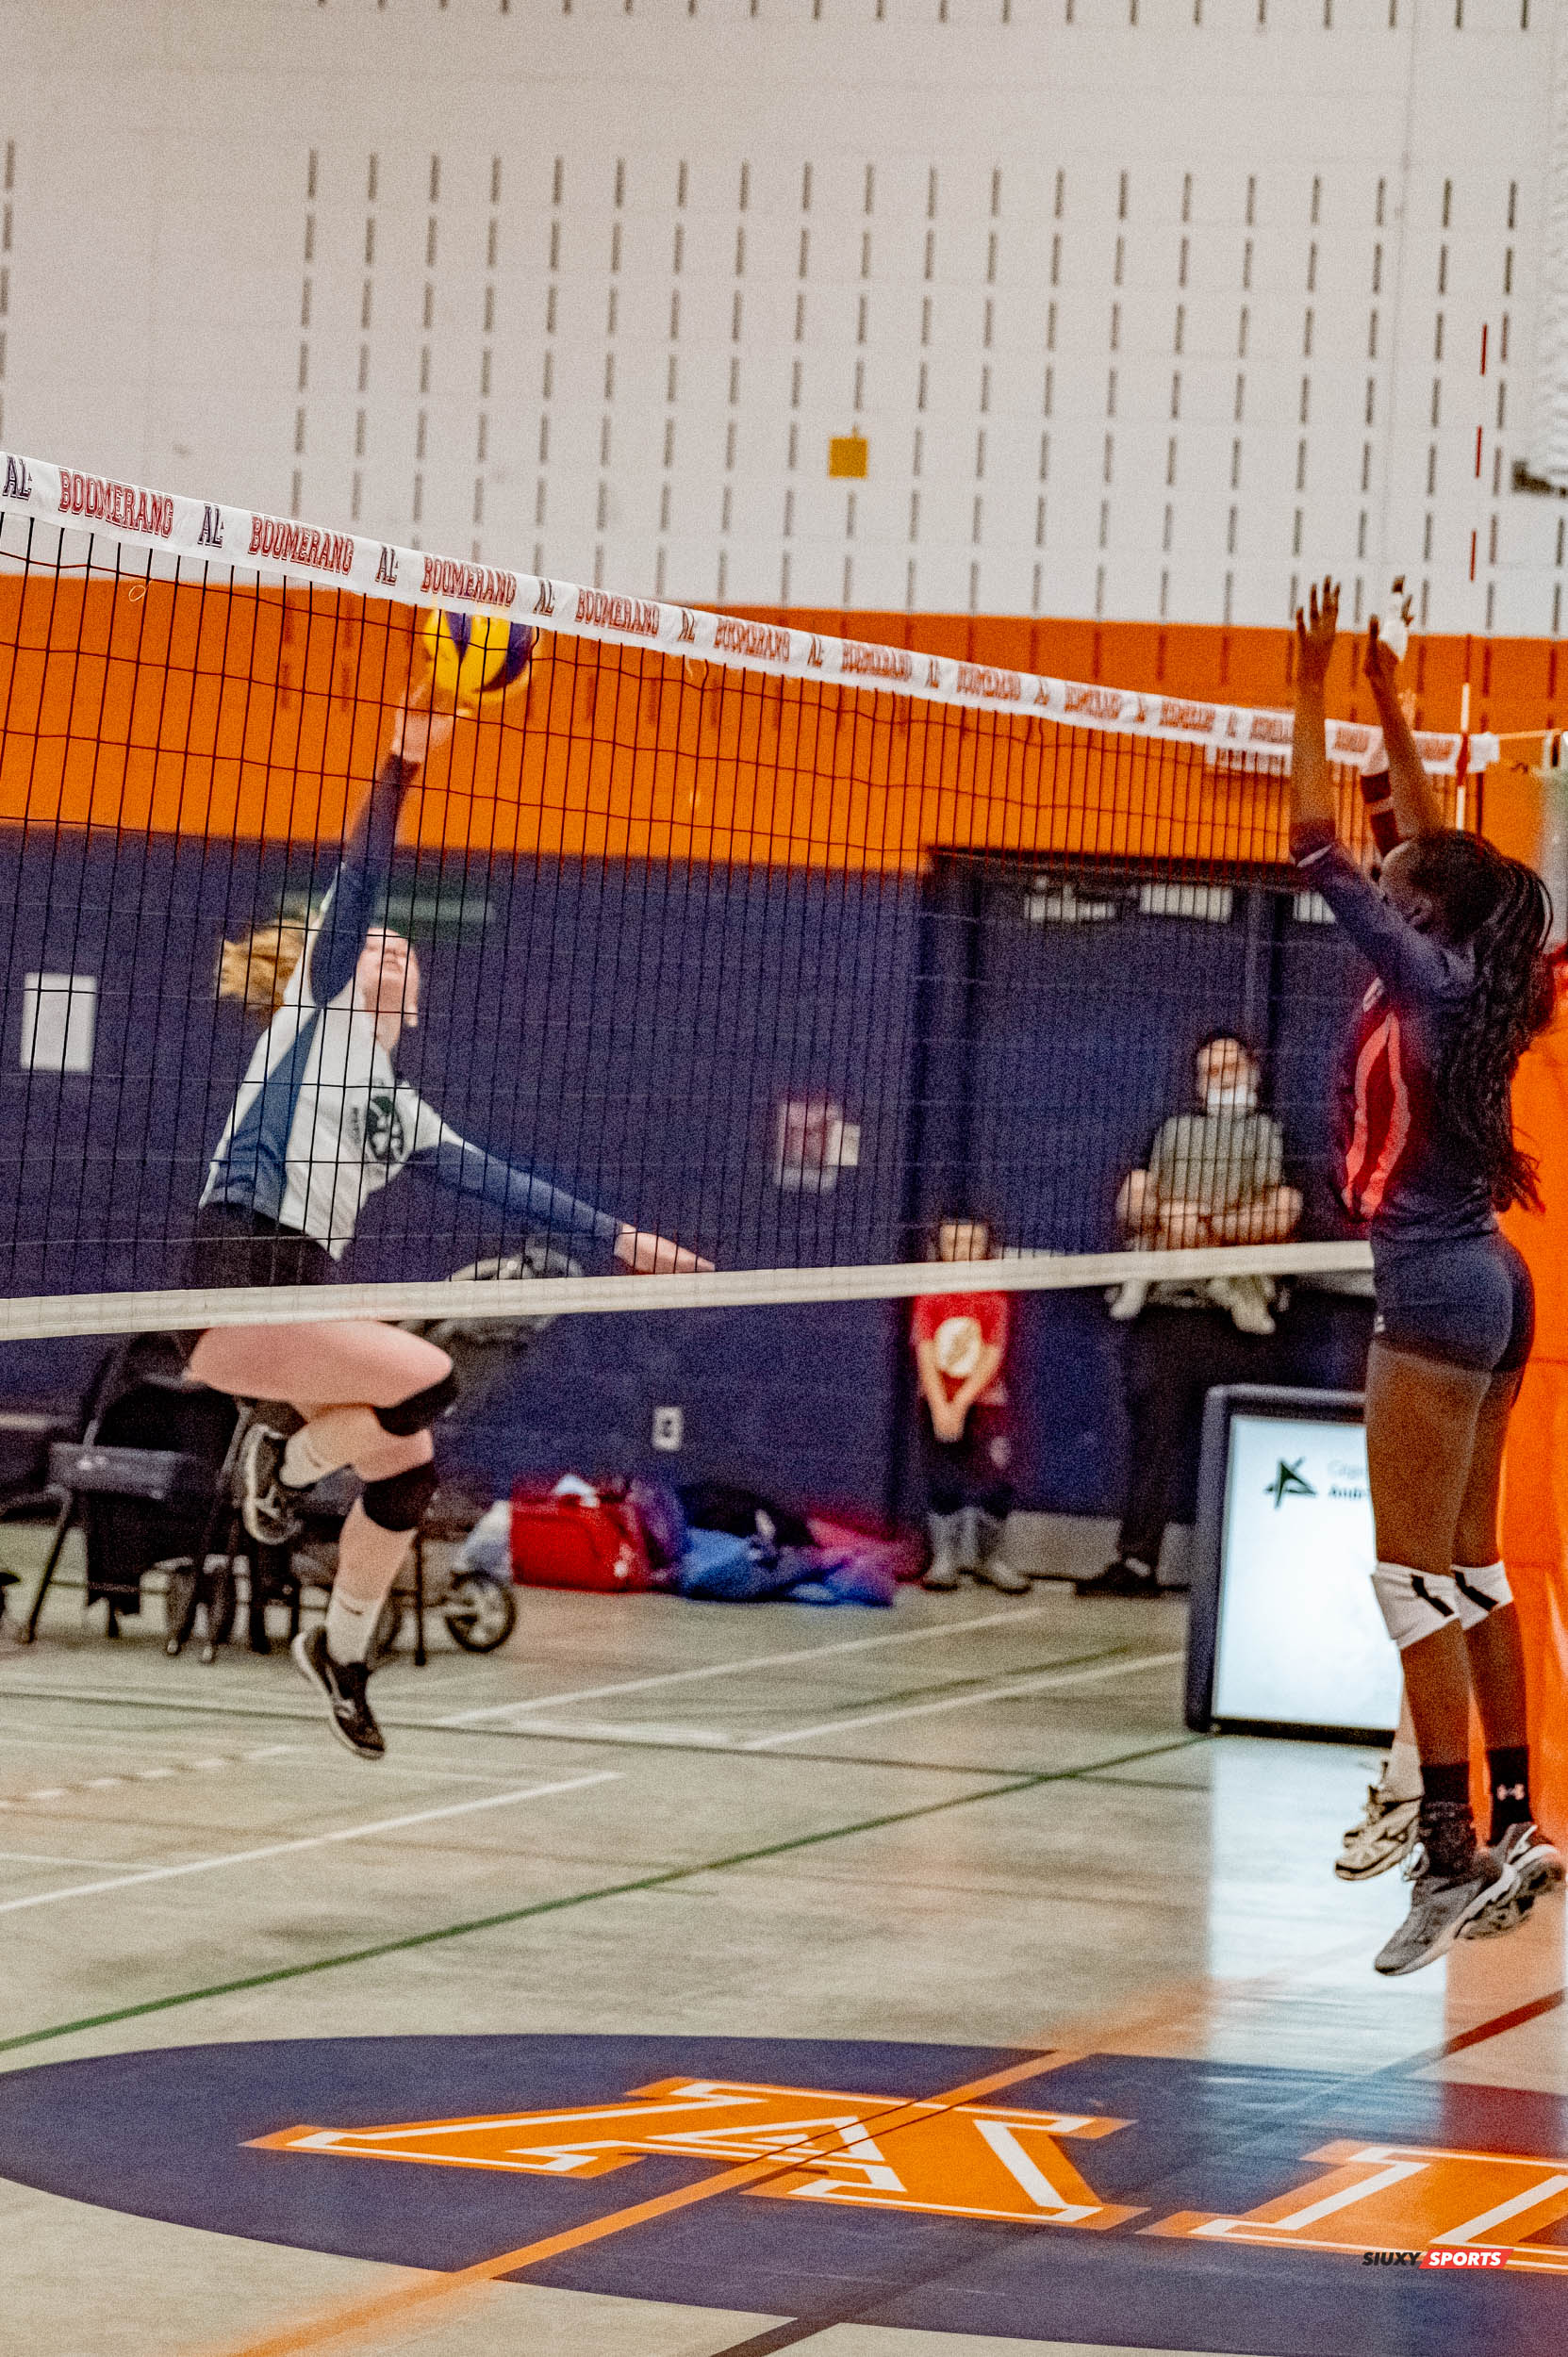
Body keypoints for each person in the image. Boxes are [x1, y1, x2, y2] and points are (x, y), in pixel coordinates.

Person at [184, 662, 705, 1762]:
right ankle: (278, 1467)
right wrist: (403, 755)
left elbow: (507, 1182)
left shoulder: (404, 1110)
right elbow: (364, 876)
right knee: (429, 1377)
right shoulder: (312, 1014)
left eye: (400, 952)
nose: (387, 945)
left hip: (293, 1305)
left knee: (406, 1465)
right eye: (374, 941)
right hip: (233, 1273)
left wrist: (622, 1239)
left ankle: (345, 1646)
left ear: (414, 1000)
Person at [1291, 575, 1562, 1973]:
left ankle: (1446, 1851)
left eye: (1402, 876)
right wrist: (1384, 695)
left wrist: (1305, 684)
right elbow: (1413, 834)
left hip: (1440, 1292)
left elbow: (1313, 842)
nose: (1393, 863)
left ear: (1417, 911)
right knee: (1468, 1576)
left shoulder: (1426, 980)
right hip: (1490, 1282)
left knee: (1411, 1585)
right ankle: (1517, 1822)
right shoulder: (1482, 968)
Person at [1078, 1035, 1303, 1599]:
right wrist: (1160, 1211)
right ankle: (1136, 1564)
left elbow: (1282, 1212)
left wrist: (1207, 1225)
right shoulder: (1171, 1134)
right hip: (1169, 1314)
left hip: (1242, 1319)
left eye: (1230, 1068)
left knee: (1249, 1447)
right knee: (1152, 1442)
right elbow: (1136, 1203)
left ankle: (1252, 1569)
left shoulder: (1275, 1138)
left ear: (1252, 1070)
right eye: (1208, 1071)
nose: (1220, 1079)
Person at [912, 1214, 1026, 1593]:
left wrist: (961, 1403)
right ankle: (944, 1561)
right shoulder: (929, 1295)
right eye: (954, 1244)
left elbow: (993, 1354)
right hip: (938, 1403)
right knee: (943, 1482)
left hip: (986, 1403)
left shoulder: (993, 1298)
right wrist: (941, 1406)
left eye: (972, 1244)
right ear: (940, 1250)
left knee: (996, 1483)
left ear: (986, 1250)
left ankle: (987, 1559)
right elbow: (926, 1354)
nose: (963, 1252)